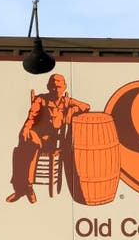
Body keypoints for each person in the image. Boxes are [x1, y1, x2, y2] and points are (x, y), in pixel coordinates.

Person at [6, 73, 90, 203]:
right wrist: (26, 128)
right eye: (53, 87)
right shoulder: (41, 99)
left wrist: (71, 111)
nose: (56, 90)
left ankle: (23, 189)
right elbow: (31, 117)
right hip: (36, 136)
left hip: (51, 142)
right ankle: (25, 188)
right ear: (48, 87)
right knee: (24, 146)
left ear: (65, 87)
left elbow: (86, 106)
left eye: (59, 87)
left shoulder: (66, 101)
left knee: (23, 149)